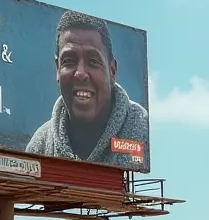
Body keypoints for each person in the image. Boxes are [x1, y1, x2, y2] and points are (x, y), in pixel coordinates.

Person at [26, 10, 149, 169]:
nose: (80, 74)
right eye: (69, 61)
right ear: (57, 68)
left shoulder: (140, 127)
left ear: (112, 71)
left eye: (93, 61)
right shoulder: (41, 144)